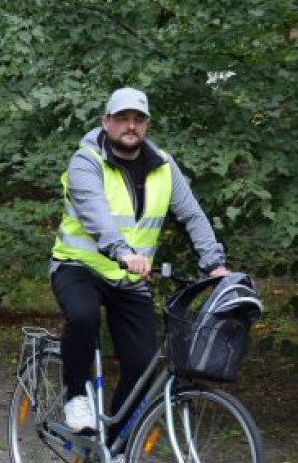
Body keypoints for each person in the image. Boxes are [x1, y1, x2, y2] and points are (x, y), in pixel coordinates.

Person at [51, 87, 229, 440]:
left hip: (130, 279)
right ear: (106, 122)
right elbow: (95, 215)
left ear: (146, 125)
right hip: (79, 267)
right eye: (122, 119)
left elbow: (192, 214)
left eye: (138, 119)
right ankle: (74, 396)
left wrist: (214, 265)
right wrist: (121, 251)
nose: (130, 126)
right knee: (84, 317)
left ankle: (114, 447)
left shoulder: (164, 166)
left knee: (142, 364)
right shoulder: (86, 161)